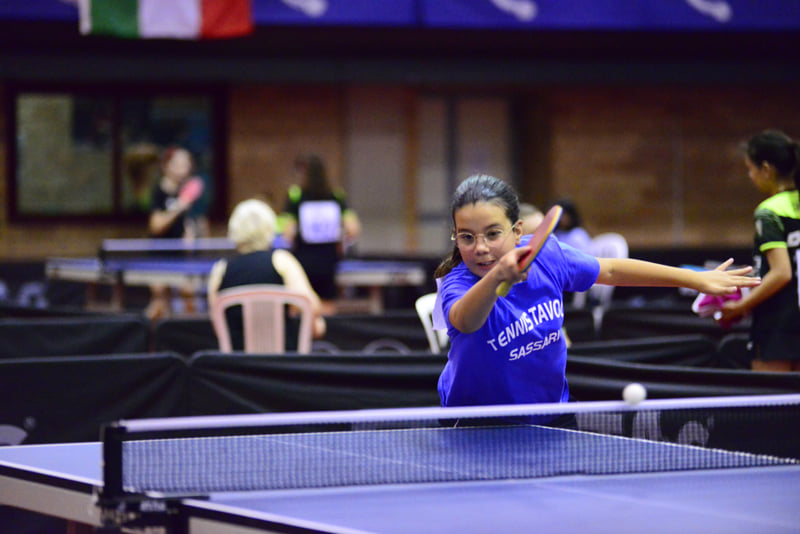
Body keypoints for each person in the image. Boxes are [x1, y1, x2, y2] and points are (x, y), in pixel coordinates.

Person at [433, 174, 760, 418]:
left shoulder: (547, 255)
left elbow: (612, 270)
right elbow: (465, 320)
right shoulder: (456, 282)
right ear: (455, 236)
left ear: (517, 231)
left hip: (550, 412)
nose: (480, 247)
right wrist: (497, 278)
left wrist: (695, 279)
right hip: (479, 422)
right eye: (467, 237)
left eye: (493, 233)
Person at [717, 130, 800, 372]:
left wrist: (741, 306)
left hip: (778, 324)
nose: (750, 176)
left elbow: (781, 273)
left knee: (769, 395)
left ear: (766, 169)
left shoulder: (769, 211)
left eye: (750, 169)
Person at [207, 198, 326, 350]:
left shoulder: (220, 270)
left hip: (237, 361)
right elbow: (312, 306)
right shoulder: (281, 261)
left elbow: (217, 326)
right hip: (282, 358)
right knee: (319, 324)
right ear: (270, 228)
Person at [281, 154, 361, 311]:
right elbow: (353, 229)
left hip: (303, 259)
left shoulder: (296, 196)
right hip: (328, 260)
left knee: (301, 303)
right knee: (327, 305)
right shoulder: (335, 195)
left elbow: (288, 233)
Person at [145, 146, 207, 319]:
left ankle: (188, 336)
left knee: (189, 298)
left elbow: (193, 222)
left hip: (182, 257)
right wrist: (180, 205)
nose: (184, 167)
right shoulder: (159, 192)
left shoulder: (186, 192)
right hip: (159, 256)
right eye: (179, 163)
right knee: (159, 303)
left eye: (187, 163)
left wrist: (191, 232)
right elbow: (156, 226)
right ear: (166, 166)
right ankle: (147, 334)